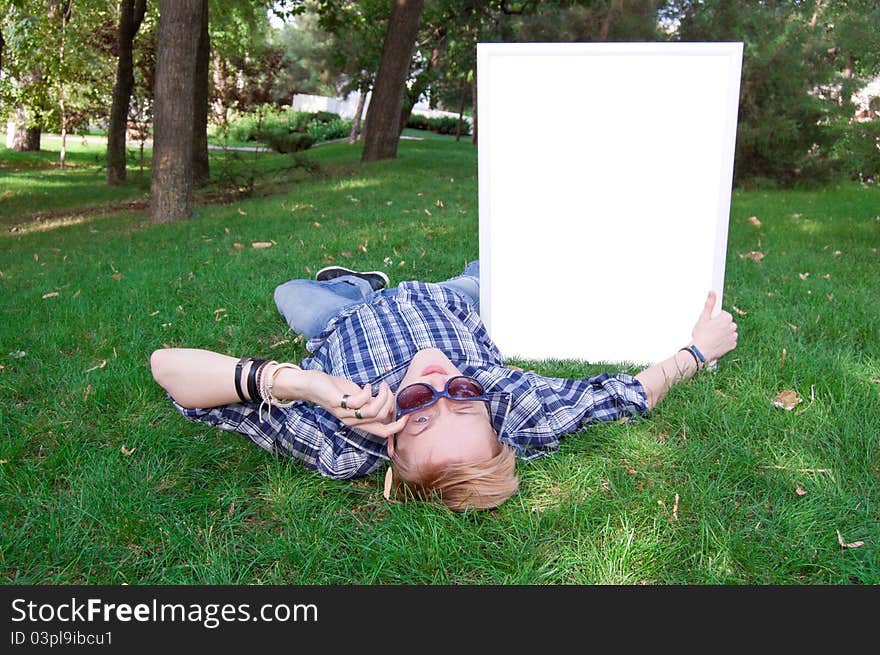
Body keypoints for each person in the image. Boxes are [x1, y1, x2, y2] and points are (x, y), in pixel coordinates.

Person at [150, 261, 738, 511]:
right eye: (464, 402)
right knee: (501, 265)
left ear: (391, 448)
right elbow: (631, 394)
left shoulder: (340, 437)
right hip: (446, 302)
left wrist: (306, 384)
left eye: (419, 412)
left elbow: (168, 369)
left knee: (289, 296)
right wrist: (698, 350)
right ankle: (426, 278)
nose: (440, 386)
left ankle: (356, 287)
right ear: (494, 421)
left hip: (339, 323)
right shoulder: (515, 406)